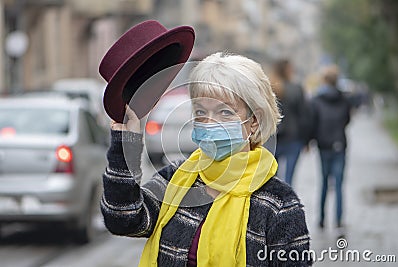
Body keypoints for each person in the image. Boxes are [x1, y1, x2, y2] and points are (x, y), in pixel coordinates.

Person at [101, 52, 312, 266]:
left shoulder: (280, 205)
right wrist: (126, 142)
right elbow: (123, 219)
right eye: (201, 112)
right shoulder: (175, 179)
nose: (210, 123)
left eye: (225, 112)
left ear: (254, 120)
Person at [310, 64, 352, 235]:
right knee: (340, 184)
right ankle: (339, 220)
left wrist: (311, 139)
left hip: (323, 145)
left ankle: (321, 219)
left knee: (324, 183)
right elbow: (347, 120)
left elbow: (313, 122)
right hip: (340, 144)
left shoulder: (316, 100)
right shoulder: (344, 99)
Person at [271, 59, 312, 186]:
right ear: (287, 70)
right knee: (289, 180)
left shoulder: (270, 88)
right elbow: (304, 116)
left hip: (273, 138)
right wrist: (306, 140)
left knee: (272, 179)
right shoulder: (296, 89)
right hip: (293, 138)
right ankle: (288, 204)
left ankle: (274, 204)